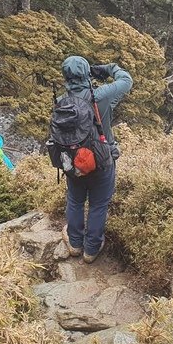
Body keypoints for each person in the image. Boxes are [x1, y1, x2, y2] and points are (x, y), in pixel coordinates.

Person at [59, 56, 132, 263]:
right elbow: (126, 80)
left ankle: (74, 244)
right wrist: (109, 68)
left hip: (74, 163)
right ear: (86, 74)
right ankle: (91, 250)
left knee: (75, 200)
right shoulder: (100, 96)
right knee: (98, 205)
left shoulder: (61, 101)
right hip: (101, 161)